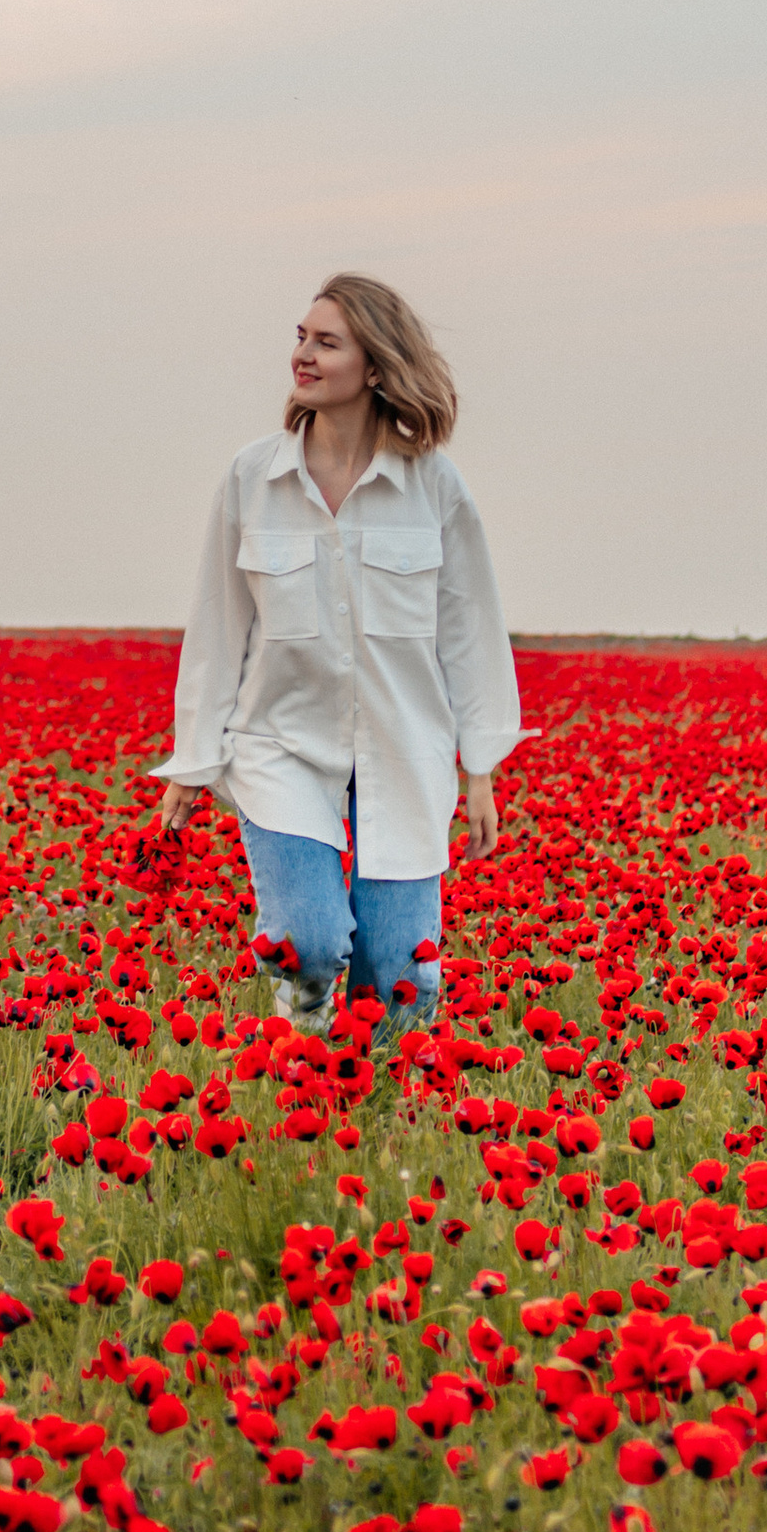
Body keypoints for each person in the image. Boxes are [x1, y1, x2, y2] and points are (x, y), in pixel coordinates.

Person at [154, 273, 523, 1037]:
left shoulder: (432, 485)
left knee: (398, 988)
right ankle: (304, 1011)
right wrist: (193, 763)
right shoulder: (253, 478)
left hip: (404, 748)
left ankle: (379, 1112)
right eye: (301, 337)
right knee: (310, 942)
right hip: (281, 747)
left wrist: (479, 765)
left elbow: (470, 627)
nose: (304, 355)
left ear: (377, 367)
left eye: (327, 342)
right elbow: (218, 627)